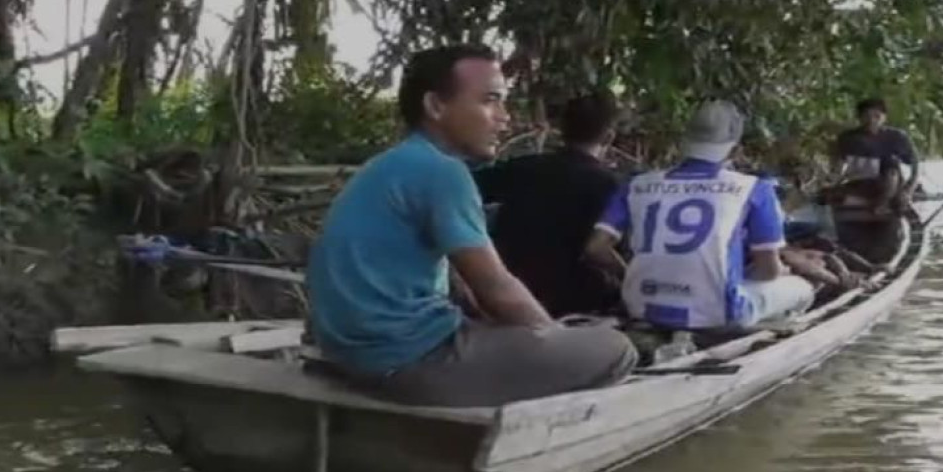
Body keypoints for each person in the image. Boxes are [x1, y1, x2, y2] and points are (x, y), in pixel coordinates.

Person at [305, 45, 638, 408]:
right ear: (435, 106)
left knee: (517, 331)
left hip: (350, 355)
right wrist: (552, 340)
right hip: (408, 362)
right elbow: (496, 288)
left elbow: (463, 287)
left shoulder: (394, 163)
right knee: (616, 349)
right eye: (490, 101)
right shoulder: (443, 171)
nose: (504, 118)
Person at [583, 100, 815, 331]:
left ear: (683, 144)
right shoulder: (755, 189)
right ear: (734, 150)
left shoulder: (636, 184)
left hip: (641, 305)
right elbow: (768, 271)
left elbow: (595, 248)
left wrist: (630, 276)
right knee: (801, 288)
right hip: (718, 313)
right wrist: (778, 271)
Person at [471, 89, 624, 317]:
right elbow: (601, 251)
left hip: (508, 295)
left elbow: (464, 188)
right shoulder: (611, 186)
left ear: (561, 131)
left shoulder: (522, 168)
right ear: (608, 137)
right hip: (576, 303)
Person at [827, 97, 920, 217]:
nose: (871, 121)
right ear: (859, 118)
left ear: (884, 117)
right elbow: (837, 166)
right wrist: (831, 184)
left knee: (890, 168)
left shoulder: (897, 137)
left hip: (889, 185)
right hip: (860, 183)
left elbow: (915, 166)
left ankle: (883, 205)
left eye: (877, 116)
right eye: (866, 116)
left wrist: (908, 190)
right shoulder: (847, 138)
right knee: (828, 198)